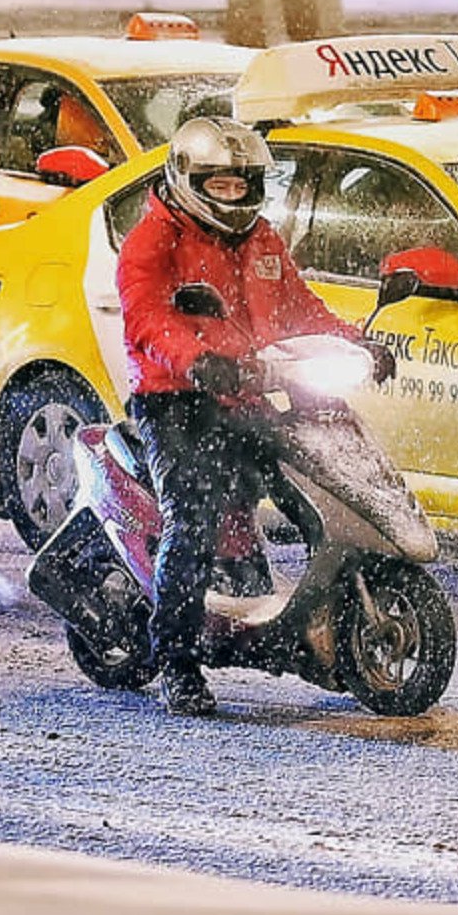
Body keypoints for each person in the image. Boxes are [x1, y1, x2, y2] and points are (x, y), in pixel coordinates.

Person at [116, 116, 390, 716]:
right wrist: (197, 360)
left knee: (317, 488)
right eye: (221, 186)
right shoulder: (152, 241)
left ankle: (310, 625)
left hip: (251, 393)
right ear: (190, 180)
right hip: (175, 401)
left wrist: (356, 343)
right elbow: (146, 319)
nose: (235, 196)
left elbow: (300, 307)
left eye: (244, 185)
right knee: (191, 518)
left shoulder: (261, 239)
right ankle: (178, 660)